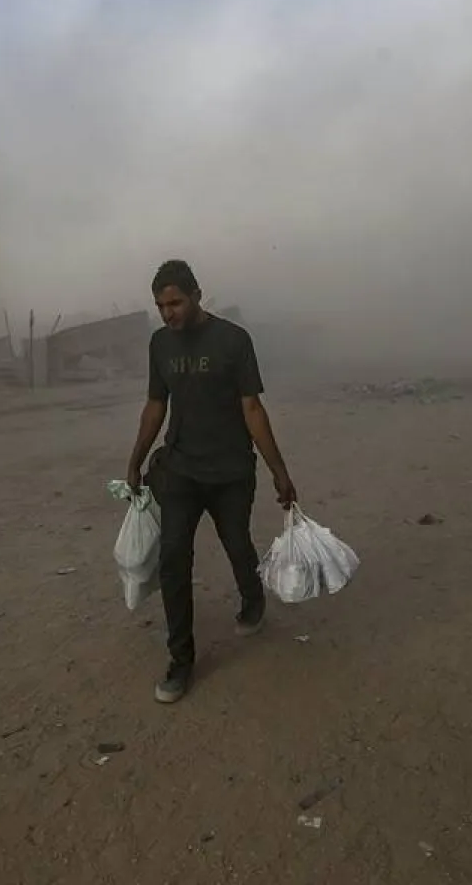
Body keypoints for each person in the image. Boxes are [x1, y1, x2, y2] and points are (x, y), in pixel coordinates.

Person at [125, 260, 297, 704]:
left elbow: (253, 409)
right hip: (180, 469)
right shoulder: (159, 344)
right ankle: (181, 661)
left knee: (236, 542)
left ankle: (252, 597)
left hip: (230, 471)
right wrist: (135, 459)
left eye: (175, 302)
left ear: (197, 294)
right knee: (173, 560)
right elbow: (154, 406)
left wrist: (279, 470)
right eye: (161, 306)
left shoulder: (233, 341)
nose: (168, 314)